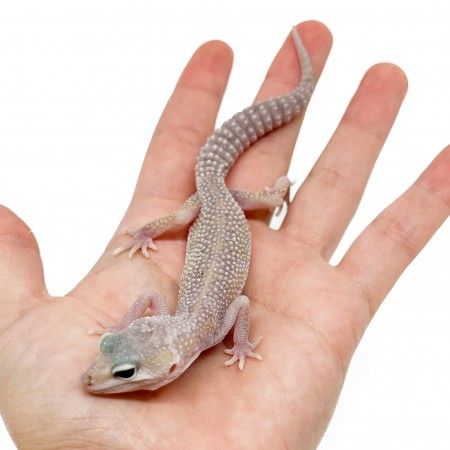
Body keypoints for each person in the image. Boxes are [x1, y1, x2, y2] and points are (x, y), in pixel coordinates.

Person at [0, 21, 448, 449]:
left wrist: (239, 343)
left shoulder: (201, 331)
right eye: (119, 365)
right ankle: (265, 182)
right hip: (221, 202)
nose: (92, 377)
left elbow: (234, 303)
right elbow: (193, 306)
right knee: (216, 196)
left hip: (217, 202)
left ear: (172, 365)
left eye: (123, 372)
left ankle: (276, 167)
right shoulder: (190, 328)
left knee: (206, 201)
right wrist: (124, 328)